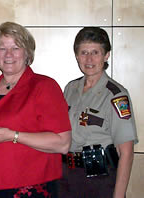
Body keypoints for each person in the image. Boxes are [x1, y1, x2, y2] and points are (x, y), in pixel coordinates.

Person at [0, 21, 72, 198]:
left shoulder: (44, 87)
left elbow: (63, 144)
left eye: (16, 47)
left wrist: (13, 136)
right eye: (2, 48)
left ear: (27, 52)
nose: (9, 54)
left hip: (30, 189)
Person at [59, 27, 138, 198]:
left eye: (95, 52)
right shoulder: (70, 89)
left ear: (106, 55)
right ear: (77, 56)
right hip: (67, 177)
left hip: (100, 180)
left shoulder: (116, 95)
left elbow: (126, 152)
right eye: (83, 52)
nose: (89, 59)